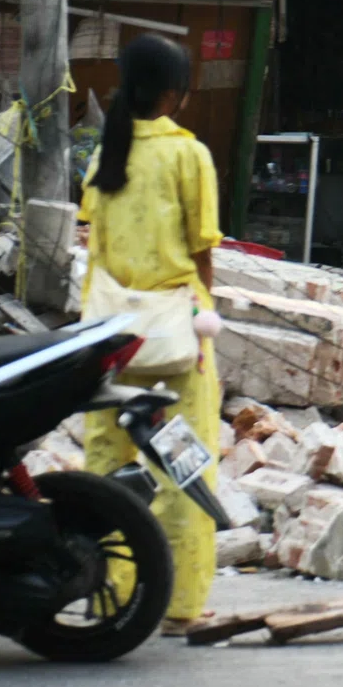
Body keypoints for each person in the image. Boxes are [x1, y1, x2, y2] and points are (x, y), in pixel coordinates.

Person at [78, 33, 225, 636]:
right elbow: (202, 251)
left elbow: (90, 243)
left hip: (109, 336)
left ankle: (108, 590)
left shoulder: (102, 155)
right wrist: (209, 309)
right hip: (175, 335)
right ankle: (181, 604)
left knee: (105, 465)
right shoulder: (189, 155)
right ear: (173, 94)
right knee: (183, 463)